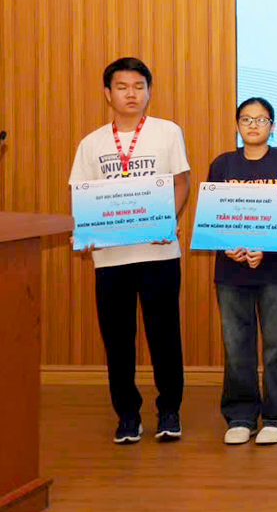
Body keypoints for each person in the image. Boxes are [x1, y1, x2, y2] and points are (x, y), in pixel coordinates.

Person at [68, 57, 191, 444]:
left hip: (159, 254)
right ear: (108, 94)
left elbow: (181, 183)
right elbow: (82, 195)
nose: (131, 94)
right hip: (110, 258)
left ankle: (169, 410)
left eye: (139, 86)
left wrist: (167, 219)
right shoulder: (92, 143)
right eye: (122, 87)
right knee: (117, 340)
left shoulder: (167, 132)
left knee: (164, 336)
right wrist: (87, 230)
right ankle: (127, 414)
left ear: (149, 91)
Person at [208, 97, 277, 445]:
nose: (253, 125)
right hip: (231, 271)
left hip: (276, 269)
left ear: (272, 127)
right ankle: (240, 416)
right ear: (237, 125)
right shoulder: (223, 164)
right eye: (246, 119)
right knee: (237, 346)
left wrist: (268, 243)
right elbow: (214, 214)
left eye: (261, 120)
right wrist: (226, 244)